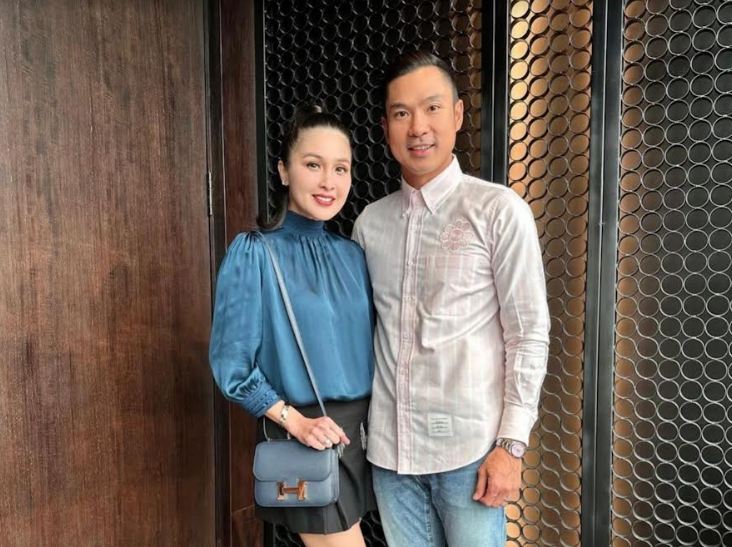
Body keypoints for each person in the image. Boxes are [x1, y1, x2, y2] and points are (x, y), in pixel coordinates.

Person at [352, 51, 550, 547]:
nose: (418, 127)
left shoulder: (498, 210)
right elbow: (361, 335)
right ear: (385, 127)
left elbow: (528, 333)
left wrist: (511, 446)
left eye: (432, 108)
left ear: (458, 114)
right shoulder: (370, 224)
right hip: (391, 457)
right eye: (402, 113)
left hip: (471, 454)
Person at [209, 105, 376, 547]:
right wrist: (296, 422)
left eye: (340, 168)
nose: (328, 182)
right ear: (284, 170)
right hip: (308, 435)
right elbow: (232, 364)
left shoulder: (353, 255)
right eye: (313, 165)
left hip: (361, 438)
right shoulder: (254, 253)